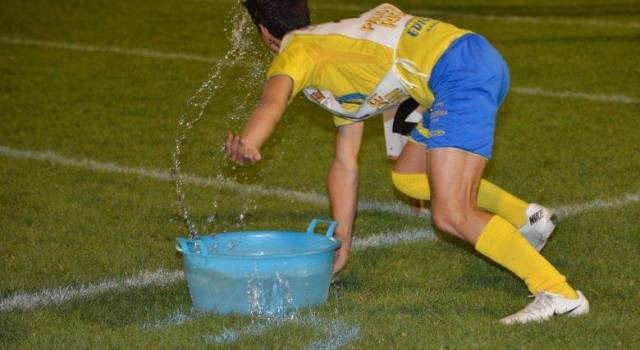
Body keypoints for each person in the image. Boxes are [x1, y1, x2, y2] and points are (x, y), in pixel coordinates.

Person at [225, 0, 589, 324]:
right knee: (410, 176)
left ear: (263, 31)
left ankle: (559, 293)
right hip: (470, 59)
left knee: (450, 213)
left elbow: (270, 104)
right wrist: (343, 243)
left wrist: (249, 143)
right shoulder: (333, 47)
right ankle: (528, 218)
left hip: (457, 76)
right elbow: (345, 163)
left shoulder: (295, 49)